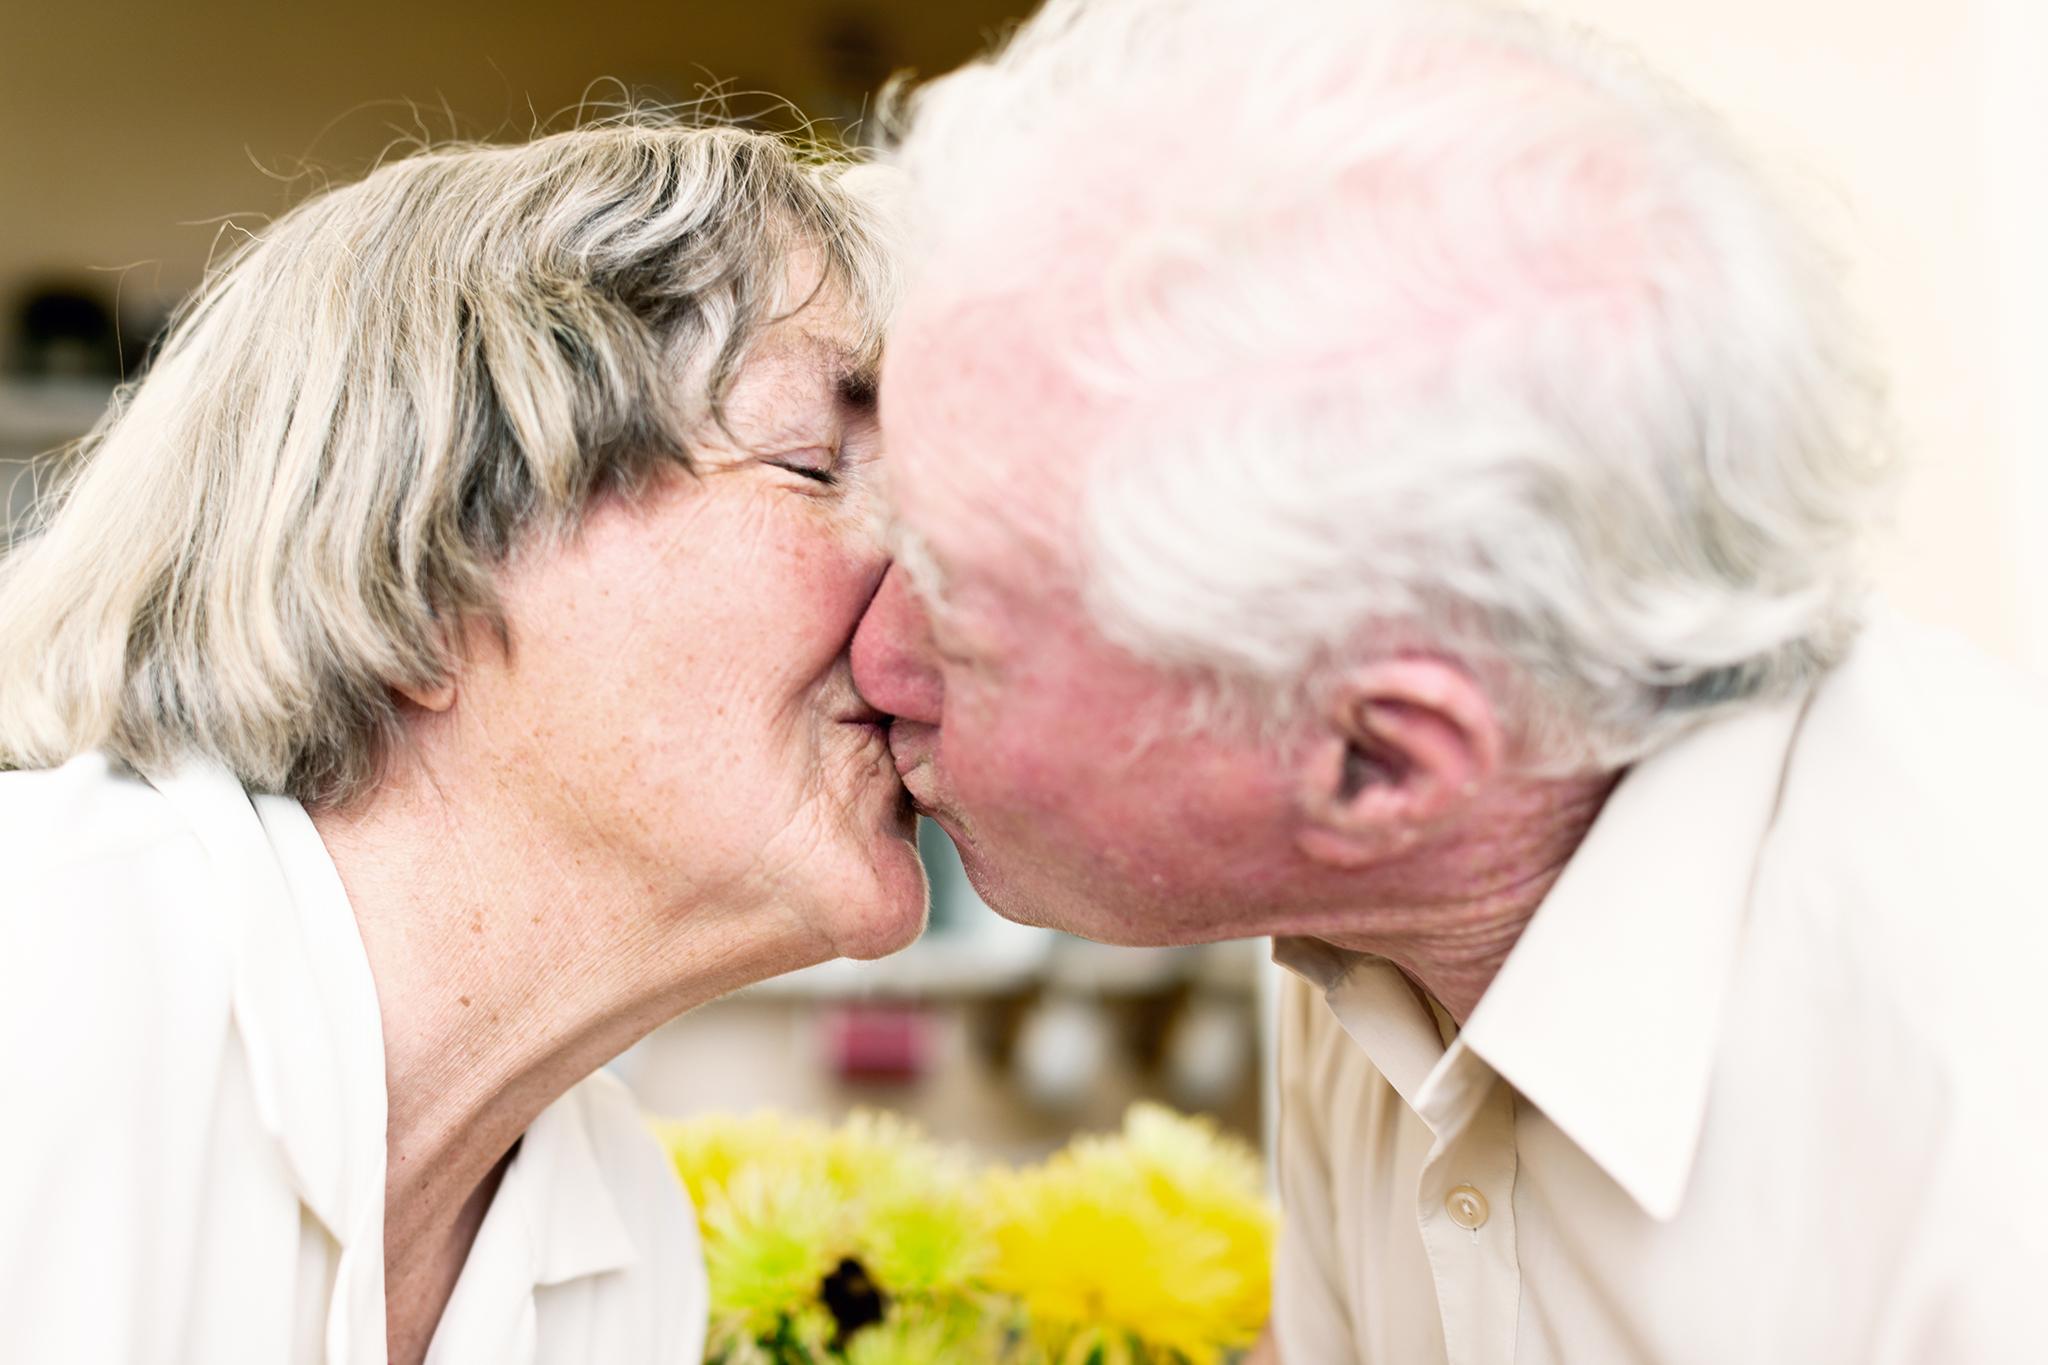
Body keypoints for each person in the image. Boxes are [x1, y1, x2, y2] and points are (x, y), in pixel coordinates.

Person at [850, 0, 2048, 1360]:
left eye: (966, 615)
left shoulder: (1992, 1152)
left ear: (1380, 766)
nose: (874, 654)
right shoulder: (1396, 921)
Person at [0, 121, 924, 1365]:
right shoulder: (37, 980)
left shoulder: (613, 1237)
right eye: (816, 465)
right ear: (435, 568)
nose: (928, 578)